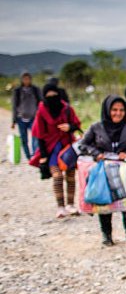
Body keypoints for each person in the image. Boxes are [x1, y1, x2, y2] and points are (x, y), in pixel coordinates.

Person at [78, 95, 126, 248]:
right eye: (114, 110)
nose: (118, 113)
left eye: (121, 110)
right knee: (104, 201)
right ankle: (106, 235)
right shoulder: (96, 127)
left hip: (124, 172)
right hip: (104, 170)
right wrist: (96, 153)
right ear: (107, 110)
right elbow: (82, 145)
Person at [30, 83, 81, 217]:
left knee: (70, 176)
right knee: (57, 176)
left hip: (67, 147)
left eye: (54, 95)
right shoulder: (41, 112)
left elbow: (77, 125)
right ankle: (60, 206)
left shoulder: (67, 108)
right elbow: (39, 135)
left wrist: (69, 127)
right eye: (49, 96)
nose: (52, 98)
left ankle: (71, 204)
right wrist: (43, 155)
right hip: (51, 149)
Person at [11, 72, 41, 160]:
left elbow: (40, 103)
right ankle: (28, 156)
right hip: (21, 118)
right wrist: (13, 120)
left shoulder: (35, 90)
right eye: (24, 79)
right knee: (24, 139)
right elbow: (14, 106)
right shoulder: (17, 91)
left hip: (33, 118)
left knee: (35, 137)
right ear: (22, 80)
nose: (26, 80)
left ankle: (35, 155)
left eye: (28, 79)